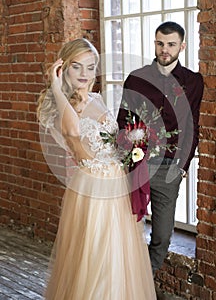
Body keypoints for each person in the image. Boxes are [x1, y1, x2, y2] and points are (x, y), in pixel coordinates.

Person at [37, 38, 156, 300]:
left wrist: (134, 145)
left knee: (119, 255)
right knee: (96, 255)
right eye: (76, 67)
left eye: (90, 67)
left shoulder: (97, 98)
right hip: (92, 186)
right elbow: (74, 135)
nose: (84, 74)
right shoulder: (60, 106)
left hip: (116, 183)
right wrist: (57, 89)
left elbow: (111, 141)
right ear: (63, 68)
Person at [117, 21, 204, 273]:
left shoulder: (194, 82)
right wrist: (127, 160)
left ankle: (142, 283)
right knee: (129, 232)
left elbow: (192, 126)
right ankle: (127, 285)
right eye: (160, 43)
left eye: (171, 44)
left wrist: (183, 166)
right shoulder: (136, 79)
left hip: (169, 170)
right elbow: (123, 122)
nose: (164, 49)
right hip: (137, 167)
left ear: (182, 46)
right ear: (155, 43)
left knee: (162, 237)